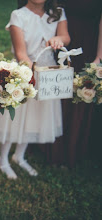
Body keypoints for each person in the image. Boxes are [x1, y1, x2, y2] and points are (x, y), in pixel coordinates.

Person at [0, 0, 70, 179]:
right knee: (16, 119)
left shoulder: (57, 13)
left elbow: (66, 37)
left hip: (48, 74)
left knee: (33, 118)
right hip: (25, 74)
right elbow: (21, 53)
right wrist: (29, 76)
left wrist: (58, 39)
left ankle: (20, 155)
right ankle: (2, 158)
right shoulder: (19, 16)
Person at [37, 0, 102, 167]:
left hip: (89, 41)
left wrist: (99, 57)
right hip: (56, 40)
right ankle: (45, 142)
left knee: (80, 90)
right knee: (56, 86)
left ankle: (73, 146)